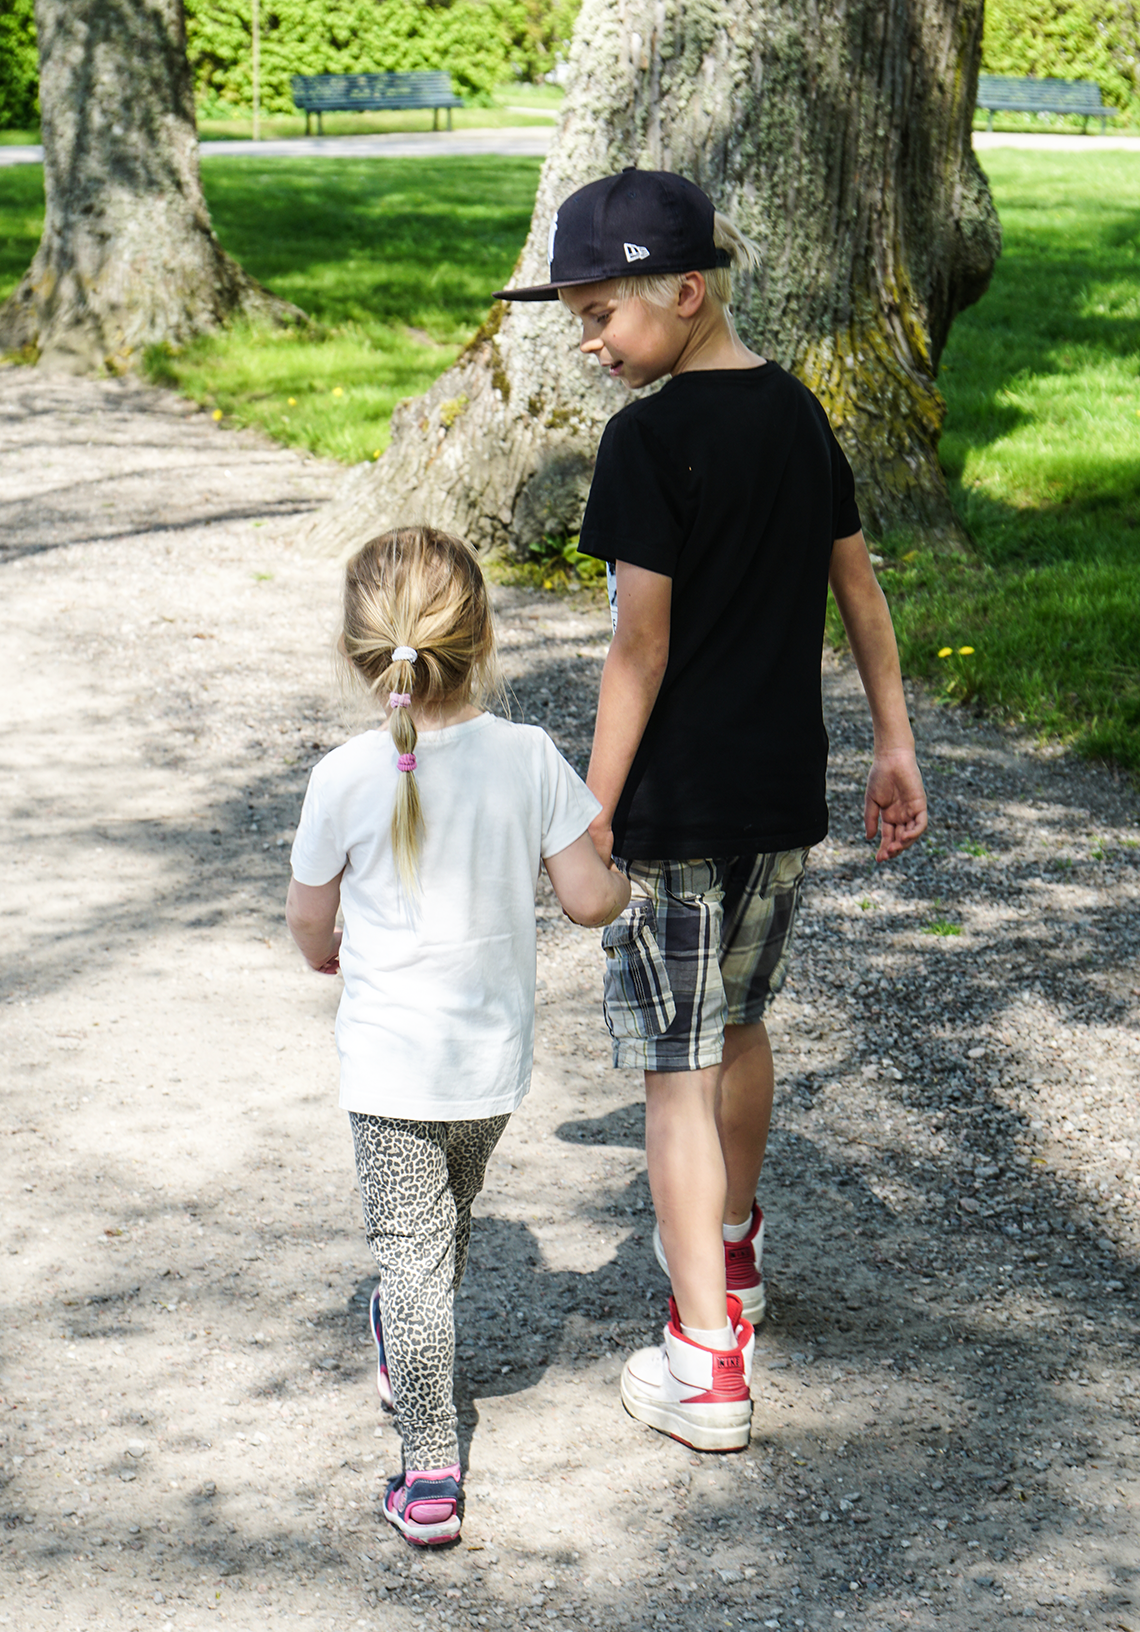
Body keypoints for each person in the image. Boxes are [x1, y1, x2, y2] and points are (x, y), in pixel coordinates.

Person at [495, 169, 928, 1452]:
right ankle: (733, 1252)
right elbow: (860, 590)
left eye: (601, 315)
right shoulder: (798, 410)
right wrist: (894, 743)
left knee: (675, 1074)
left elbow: (639, 649)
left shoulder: (647, 442)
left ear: (684, 293)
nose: (588, 341)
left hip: (677, 811)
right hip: (779, 797)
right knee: (738, 1027)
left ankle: (705, 1362)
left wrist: (590, 813)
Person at [285, 526, 630, 1543]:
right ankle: (417, 1356)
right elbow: (587, 899)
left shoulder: (344, 775)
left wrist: (324, 954)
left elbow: (309, 919)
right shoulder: (528, 757)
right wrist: (628, 886)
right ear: (483, 640)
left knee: (413, 1256)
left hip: (391, 1069)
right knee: (440, 1233)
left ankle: (430, 1470)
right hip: (489, 1068)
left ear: (359, 653)